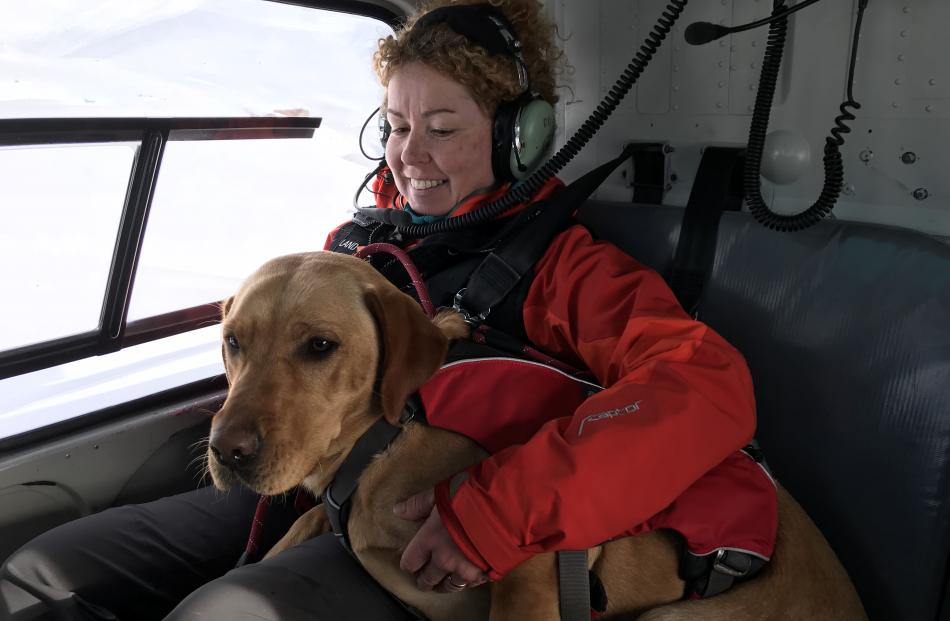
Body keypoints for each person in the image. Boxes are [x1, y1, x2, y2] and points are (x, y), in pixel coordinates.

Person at [1, 0, 760, 619]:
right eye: (396, 126)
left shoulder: (569, 266)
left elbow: (706, 388)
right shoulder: (359, 248)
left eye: (443, 128)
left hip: (461, 521)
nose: (408, 155)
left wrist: (498, 514)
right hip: (321, 485)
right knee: (50, 564)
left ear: (517, 136)